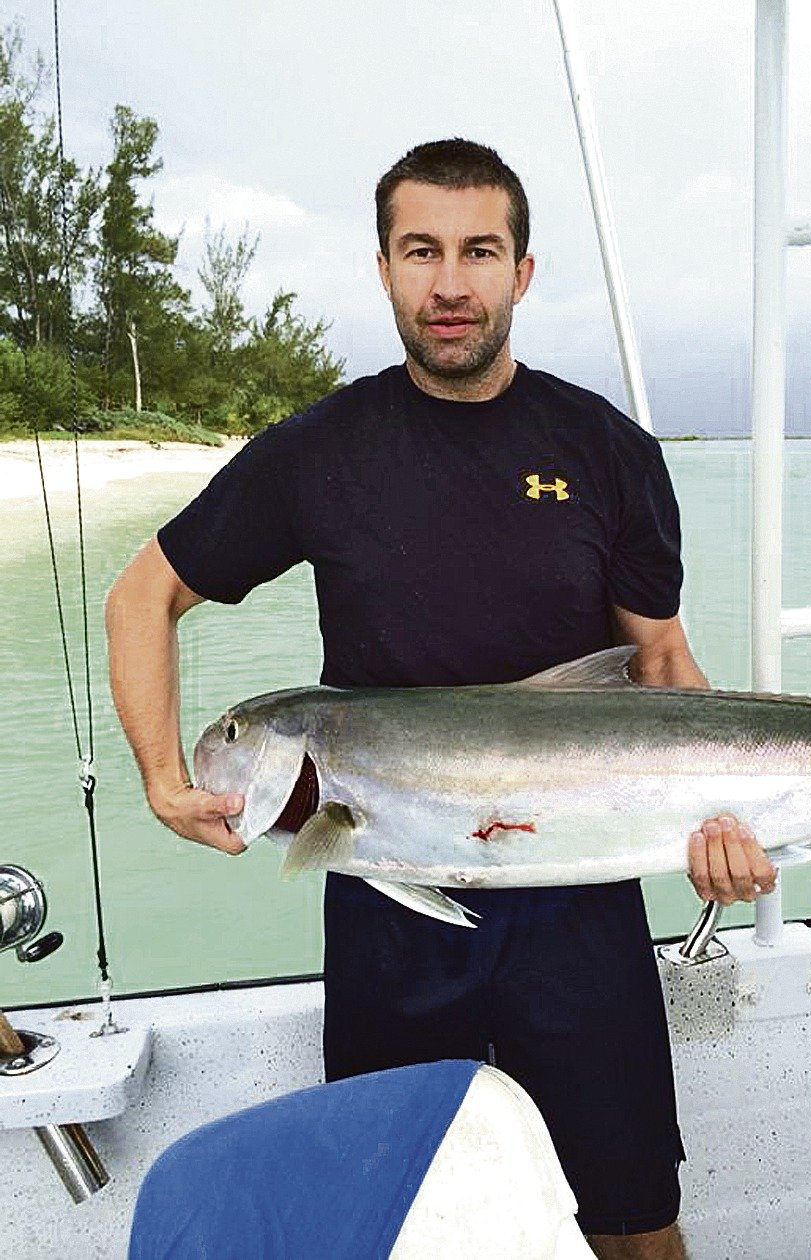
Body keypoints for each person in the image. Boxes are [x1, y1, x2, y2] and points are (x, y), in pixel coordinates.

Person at [106, 139, 776, 1260]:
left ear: (522, 269)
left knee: (636, 1223)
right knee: (402, 1220)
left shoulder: (606, 450)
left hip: (581, 900)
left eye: (479, 251)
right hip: (387, 905)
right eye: (423, 251)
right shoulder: (317, 452)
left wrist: (730, 819)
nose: (450, 283)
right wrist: (164, 780)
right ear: (383, 268)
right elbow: (145, 596)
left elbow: (660, 663)